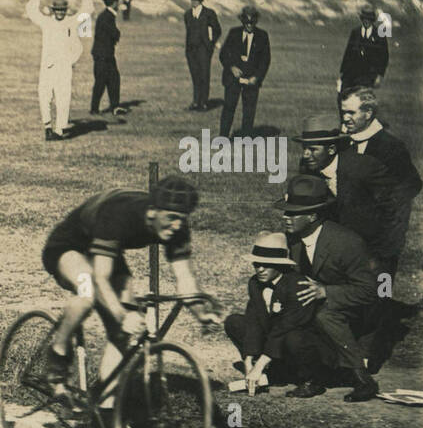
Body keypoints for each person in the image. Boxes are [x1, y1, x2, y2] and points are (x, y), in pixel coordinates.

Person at [35, 178, 220, 408]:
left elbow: (185, 279)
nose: (176, 226)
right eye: (171, 218)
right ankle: (57, 357)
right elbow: (100, 278)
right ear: (152, 212)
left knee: (122, 332)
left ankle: (105, 407)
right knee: (87, 292)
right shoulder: (119, 213)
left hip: (105, 252)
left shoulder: (176, 228)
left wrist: (201, 313)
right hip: (69, 246)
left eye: (181, 220)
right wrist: (122, 315)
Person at [277, 174, 379, 402]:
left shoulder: (346, 242)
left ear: (313, 216)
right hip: (311, 304)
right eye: (285, 211)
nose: (285, 217)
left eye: (293, 213)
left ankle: (362, 379)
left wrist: (326, 292)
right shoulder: (292, 238)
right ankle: (310, 377)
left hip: (349, 310)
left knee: (325, 314)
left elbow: (369, 291)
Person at [223, 232, 337, 397]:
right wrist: (248, 362)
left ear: (281, 265)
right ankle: (277, 372)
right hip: (278, 341)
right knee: (235, 322)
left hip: (307, 344)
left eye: (266, 265)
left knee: (293, 337)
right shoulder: (255, 283)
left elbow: (285, 328)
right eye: (256, 264)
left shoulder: (298, 285)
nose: (259, 269)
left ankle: (312, 380)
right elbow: (254, 321)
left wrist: (259, 365)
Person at [336, 86, 422, 280]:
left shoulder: (391, 148)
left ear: (368, 113)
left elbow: (412, 185)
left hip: (381, 243)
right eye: (343, 112)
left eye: (351, 112)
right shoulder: (345, 144)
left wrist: (385, 250)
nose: (345, 118)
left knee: (381, 296)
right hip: (350, 240)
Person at [24, 0, 92, 141]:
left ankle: (59, 130)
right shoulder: (47, 22)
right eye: (58, 10)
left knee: (63, 97)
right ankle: (47, 126)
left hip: (64, 67)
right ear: (53, 10)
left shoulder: (71, 21)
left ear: (66, 10)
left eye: (63, 10)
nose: (60, 13)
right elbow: (31, 11)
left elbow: (86, 11)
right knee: (44, 95)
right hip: (47, 66)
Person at [217, 5, 270, 138]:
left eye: (252, 22)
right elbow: (223, 54)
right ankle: (223, 137)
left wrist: (257, 77)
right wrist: (232, 67)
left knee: (249, 111)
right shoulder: (233, 33)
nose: (249, 25)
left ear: (256, 21)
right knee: (229, 108)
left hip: (251, 81)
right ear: (242, 21)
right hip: (232, 79)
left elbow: (265, 60)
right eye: (246, 22)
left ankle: (246, 138)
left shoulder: (262, 36)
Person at [90, 0, 127, 116]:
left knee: (113, 79)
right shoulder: (107, 16)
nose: (119, 3)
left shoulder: (106, 15)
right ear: (114, 2)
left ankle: (114, 106)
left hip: (105, 54)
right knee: (102, 81)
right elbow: (114, 34)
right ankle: (96, 109)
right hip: (103, 55)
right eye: (117, 1)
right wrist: (117, 33)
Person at [183, 0, 221, 111]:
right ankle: (195, 101)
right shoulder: (187, 14)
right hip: (191, 50)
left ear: (200, 0)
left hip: (204, 49)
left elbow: (217, 30)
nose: (193, 1)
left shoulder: (209, 13)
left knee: (204, 74)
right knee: (195, 75)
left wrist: (211, 43)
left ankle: (203, 102)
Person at [338, 5, 388, 93]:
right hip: (352, 72)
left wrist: (379, 76)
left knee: (362, 97)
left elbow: (384, 57)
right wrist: (342, 72)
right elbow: (348, 53)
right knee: (344, 95)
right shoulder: (355, 32)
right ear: (361, 18)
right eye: (364, 18)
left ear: (373, 20)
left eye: (369, 19)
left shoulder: (380, 35)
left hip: (368, 74)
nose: (366, 21)